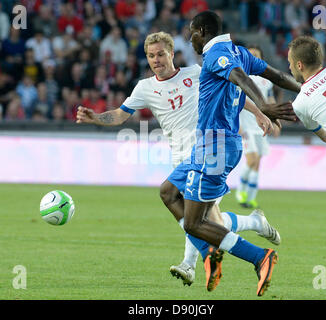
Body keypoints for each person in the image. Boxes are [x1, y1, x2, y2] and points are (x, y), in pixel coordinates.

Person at [76, 31, 283, 292]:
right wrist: (95, 117)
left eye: (161, 54)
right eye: (151, 56)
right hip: (183, 160)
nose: (156, 60)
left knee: (196, 218)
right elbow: (120, 115)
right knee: (206, 220)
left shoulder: (195, 73)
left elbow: (233, 93)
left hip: (210, 152)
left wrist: (259, 112)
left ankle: (195, 262)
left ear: (172, 54)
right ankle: (252, 225)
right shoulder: (145, 88)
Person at [161, 11, 301, 296]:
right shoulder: (238, 51)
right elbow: (275, 74)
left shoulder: (216, 55)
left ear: (202, 31)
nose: (191, 39)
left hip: (216, 146)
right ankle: (211, 250)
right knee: (168, 192)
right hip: (209, 146)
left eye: (192, 32)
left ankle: (259, 257)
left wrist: (265, 106)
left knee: (196, 222)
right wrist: (305, 89)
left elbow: (238, 77)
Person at [235, 45, 281, 209]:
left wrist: (276, 121)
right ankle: (240, 191)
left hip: (260, 127)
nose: (253, 57)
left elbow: (270, 102)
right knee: (252, 159)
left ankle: (251, 197)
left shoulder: (266, 81)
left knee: (257, 162)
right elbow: (235, 102)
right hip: (246, 125)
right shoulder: (240, 77)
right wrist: (237, 125)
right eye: (251, 55)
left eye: (256, 55)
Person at [288, 35, 326, 155]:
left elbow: (323, 134)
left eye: (290, 62)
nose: (289, 67)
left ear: (299, 65)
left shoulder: (300, 104)